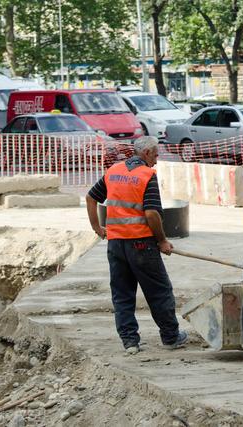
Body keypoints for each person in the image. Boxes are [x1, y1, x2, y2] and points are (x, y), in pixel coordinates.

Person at [86, 136, 187, 355]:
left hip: (115, 244)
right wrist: (161, 240)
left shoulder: (114, 170)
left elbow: (90, 197)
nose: (157, 161)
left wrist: (97, 228)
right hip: (141, 245)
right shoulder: (147, 175)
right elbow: (151, 213)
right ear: (148, 153)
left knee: (122, 294)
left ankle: (130, 342)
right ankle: (170, 337)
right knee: (159, 291)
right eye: (156, 155)